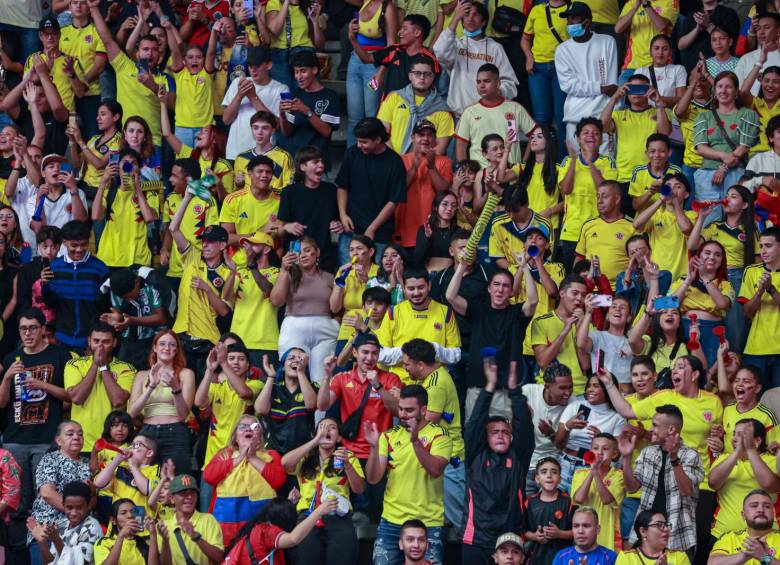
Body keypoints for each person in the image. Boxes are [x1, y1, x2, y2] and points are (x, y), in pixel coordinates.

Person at [606, 370, 718, 559]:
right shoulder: (648, 452)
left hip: (678, 538)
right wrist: (625, 458)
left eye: (656, 425)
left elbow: (686, 491)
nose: (651, 429)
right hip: (646, 537)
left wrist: (674, 458)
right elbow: (632, 487)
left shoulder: (691, 456)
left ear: (671, 429)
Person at [365, 385, 452, 565]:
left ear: (424, 409)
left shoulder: (439, 435)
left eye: (409, 410)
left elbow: (435, 470)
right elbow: (373, 478)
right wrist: (373, 448)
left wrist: (415, 441)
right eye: (401, 409)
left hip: (427, 523)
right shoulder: (388, 436)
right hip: (391, 521)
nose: (403, 414)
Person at [317, 332, 401, 519]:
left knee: (380, 509)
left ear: (379, 355)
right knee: (350, 510)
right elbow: (322, 405)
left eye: (374, 353)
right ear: (354, 353)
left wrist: (378, 386)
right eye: (364, 352)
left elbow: (398, 411)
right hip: (349, 453)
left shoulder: (390, 379)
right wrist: (326, 375)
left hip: (379, 452)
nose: (369, 358)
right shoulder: (342, 378)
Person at [460, 358, 534, 564]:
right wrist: (490, 387)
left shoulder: (518, 457)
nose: (500, 435)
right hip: (476, 539)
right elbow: (474, 423)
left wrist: (514, 391)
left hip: (510, 541)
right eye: (494, 432)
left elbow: (526, 430)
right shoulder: (475, 456)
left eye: (505, 432)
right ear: (486, 437)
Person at [446, 262, 535, 419]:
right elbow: (450, 296)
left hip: (507, 391)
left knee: (507, 440)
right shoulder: (478, 310)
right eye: (496, 284)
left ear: (511, 291)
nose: (500, 289)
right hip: (477, 388)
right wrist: (462, 266)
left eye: (506, 286)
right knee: (475, 438)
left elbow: (533, 301)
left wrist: (525, 268)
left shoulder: (516, 313)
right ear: (489, 288)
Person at [88, 1, 174, 149]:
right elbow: (107, 40)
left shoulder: (165, 78)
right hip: (126, 142)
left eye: (154, 49)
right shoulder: (125, 66)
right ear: (137, 52)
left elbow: (173, 105)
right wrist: (94, 8)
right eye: (145, 49)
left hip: (153, 144)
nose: (150, 52)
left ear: (159, 54)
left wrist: (152, 86)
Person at [280, 417, 363, 564]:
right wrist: (315, 441)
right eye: (322, 427)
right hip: (307, 518)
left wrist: (348, 466)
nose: (326, 430)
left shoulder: (347, 457)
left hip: (338, 519)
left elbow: (359, 489)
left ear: (339, 437)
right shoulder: (305, 457)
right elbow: (285, 463)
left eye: (332, 427)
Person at [202, 414, 286, 545]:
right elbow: (208, 477)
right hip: (228, 525)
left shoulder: (271, 455)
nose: (248, 430)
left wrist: (252, 457)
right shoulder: (225, 454)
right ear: (235, 437)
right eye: (243, 427)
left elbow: (278, 480)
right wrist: (238, 458)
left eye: (254, 427)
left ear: (260, 437)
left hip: (263, 522)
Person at [336, 117, 407, 265]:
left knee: (375, 280)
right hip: (351, 230)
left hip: (380, 234)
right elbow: (342, 186)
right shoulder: (352, 153)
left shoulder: (394, 162)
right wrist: (343, 214)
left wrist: (372, 229)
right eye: (358, 140)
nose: (359, 145)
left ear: (378, 139)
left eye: (364, 142)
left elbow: (394, 201)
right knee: (347, 277)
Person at [269, 237, 339, 384]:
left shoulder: (329, 277)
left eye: (308, 251)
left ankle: (321, 408)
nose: (303, 255)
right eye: (299, 252)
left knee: (322, 377)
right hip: (295, 326)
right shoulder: (289, 274)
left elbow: (337, 308)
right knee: (292, 376)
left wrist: (335, 323)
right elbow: (275, 301)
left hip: (325, 328)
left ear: (317, 252)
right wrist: (283, 271)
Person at [693, 72, 760, 223]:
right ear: (714, 91)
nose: (723, 91)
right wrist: (724, 156)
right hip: (707, 175)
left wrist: (723, 168)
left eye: (728, 87)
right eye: (720, 86)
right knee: (708, 221)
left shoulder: (748, 115)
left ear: (736, 92)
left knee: (737, 220)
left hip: (737, 173)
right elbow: (701, 148)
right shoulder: (704, 117)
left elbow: (744, 147)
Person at [375, 266, 461, 384]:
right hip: (400, 383)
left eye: (421, 287)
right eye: (411, 288)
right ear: (404, 288)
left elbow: (456, 355)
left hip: (434, 383)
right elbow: (380, 354)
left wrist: (433, 349)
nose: (416, 293)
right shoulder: (393, 312)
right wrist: (409, 352)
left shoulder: (445, 312)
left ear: (429, 286)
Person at [128, 330, 197, 475]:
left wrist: (175, 388)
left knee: (176, 482)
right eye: (162, 344)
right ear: (154, 347)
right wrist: (151, 386)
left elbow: (183, 414)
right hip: (147, 433)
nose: (167, 348)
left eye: (172, 345)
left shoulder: (186, 374)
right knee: (145, 480)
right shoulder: (141, 375)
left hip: (175, 432)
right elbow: (132, 412)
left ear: (177, 350)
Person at [432, 0, 517, 118]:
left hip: (489, 115)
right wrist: (455, 19)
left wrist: (497, 92)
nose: (470, 18)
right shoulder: (456, 45)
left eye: (475, 15)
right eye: (466, 15)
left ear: (484, 22)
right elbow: (439, 52)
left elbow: (510, 83)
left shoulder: (495, 48)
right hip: (459, 116)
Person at [556, 118, 618, 270]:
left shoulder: (608, 162)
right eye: (586, 133)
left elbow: (605, 190)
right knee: (571, 280)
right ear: (578, 138)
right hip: (572, 230)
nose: (591, 136)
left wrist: (590, 163)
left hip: (598, 229)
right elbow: (565, 190)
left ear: (601, 139)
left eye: (596, 133)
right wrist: (574, 160)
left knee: (595, 277)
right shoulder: (567, 161)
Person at [554, 2, 619, 148]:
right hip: (575, 116)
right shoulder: (562, 50)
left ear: (587, 21)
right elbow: (569, 85)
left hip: (603, 116)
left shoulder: (607, 42)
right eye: (568, 19)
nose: (570, 23)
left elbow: (612, 84)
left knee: (605, 166)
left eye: (574, 18)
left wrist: (614, 112)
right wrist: (600, 88)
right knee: (576, 166)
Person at [64, 322, 136, 452]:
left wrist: (103, 367)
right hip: (81, 444)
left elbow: (118, 400)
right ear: (89, 341)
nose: (100, 346)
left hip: (113, 445)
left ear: (114, 342)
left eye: (106, 342)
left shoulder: (126, 369)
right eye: (96, 341)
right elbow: (76, 398)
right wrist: (94, 366)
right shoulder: (74, 365)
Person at [195, 341, 264, 475]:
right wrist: (210, 370)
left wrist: (224, 363)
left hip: (244, 459)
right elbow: (198, 402)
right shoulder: (217, 387)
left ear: (248, 364)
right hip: (213, 459)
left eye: (241, 359)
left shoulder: (256, 384)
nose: (236, 362)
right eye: (231, 358)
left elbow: (244, 393)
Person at [41, 220, 109, 352]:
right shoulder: (54, 268)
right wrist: (45, 285)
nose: (79, 249)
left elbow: (104, 306)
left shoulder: (100, 268)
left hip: (91, 340)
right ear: (64, 242)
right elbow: (51, 303)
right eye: (74, 245)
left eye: (83, 245)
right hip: (62, 338)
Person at [28, 421, 91, 563]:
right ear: (58, 440)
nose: (76, 437)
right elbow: (47, 493)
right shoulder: (50, 459)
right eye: (70, 434)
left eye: (80, 434)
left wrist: (77, 516)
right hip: (48, 529)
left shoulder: (87, 464)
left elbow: (92, 499)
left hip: (78, 533)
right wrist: (75, 513)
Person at [600, 76, 672, 200]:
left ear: (649, 90)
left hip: (651, 175)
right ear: (626, 91)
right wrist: (615, 98)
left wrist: (659, 103)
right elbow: (602, 126)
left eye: (641, 88)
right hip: (625, 176)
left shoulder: (659, 111)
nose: (636, 92)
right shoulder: (619, 114)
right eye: (632, 88)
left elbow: (664, 132)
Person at [554, 373, 626, 492]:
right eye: (589, 386)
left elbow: (616, 456)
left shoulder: (617, 417)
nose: (590, 389)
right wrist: (568, 426)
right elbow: (558, 444)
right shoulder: (576, 406)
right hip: (565, 464)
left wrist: (601, 439)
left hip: (591, 469)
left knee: (582, 509)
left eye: (596, 386)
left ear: (607, 389)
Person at [709, 419, 780, 539]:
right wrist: (737, 452)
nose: (735, 438)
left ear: (757, 441)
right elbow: (713, 483)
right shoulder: (724, 459)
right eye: (734, 434)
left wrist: (750, 450)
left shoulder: (771, 460)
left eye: (742, 435)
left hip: (766, 536)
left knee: (767, 559)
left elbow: (770, 484)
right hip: (724, 534)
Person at [455, 63, 536, 167]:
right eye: (478, 82)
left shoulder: (515, 108)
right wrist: (468, 173)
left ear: (498, 84)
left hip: (511, 175)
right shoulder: (469, 112)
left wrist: (523, 164)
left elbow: (535, 134)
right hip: (481, 176)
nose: (481, 85)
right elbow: (460, 148)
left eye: (487, 81)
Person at [277, 145, 341, 272]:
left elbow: (338, 220)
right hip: (297, 256)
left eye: (322, 161)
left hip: (324, 255)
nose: (321, 165)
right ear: (302, 167)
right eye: (315, 162)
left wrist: (338, 224)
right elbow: (279, 230)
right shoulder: (289, 192)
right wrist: (287, 227)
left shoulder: (331, 190)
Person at [221, 496, 338, 563]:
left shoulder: (258, 526)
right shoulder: (266, 531)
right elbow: (293, 538)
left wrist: (289, 502)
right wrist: (318, 512)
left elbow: (279, 512)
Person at [344, 0, 399, 146]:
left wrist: (382, 71)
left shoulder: (388, 7)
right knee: (353, 117)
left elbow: (392, 46)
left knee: (371, 116)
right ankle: (353, 159)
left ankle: (373, 158)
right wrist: (351, 32)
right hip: (355, 60)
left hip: (375, 65)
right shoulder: (365, 1)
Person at [671, 241, 734, 368]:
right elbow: (671, 304)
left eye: (717, 255)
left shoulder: (725, 285)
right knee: (684, 370)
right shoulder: (683, 280)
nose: (712, 257)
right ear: (698, 257)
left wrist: (705, 277)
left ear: (722, 261)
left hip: (712, 330)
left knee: (707, 373)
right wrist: (688, 280)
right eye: (707, 253)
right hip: (684, 327)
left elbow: (722, 304)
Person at [395, 121, 453, 254]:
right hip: (404, 228)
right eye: (421, 135)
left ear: (435, 140)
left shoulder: (444, 161)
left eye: (430, 135)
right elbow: (397, 190)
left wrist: (431, 166)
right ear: (412, 138)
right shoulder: (400, 160)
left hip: (433, 228)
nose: (425, 138)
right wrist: (414, 169)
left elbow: (443, 192)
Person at [521, 0, 569, 156]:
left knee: (562, 117)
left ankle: (562, 162)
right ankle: (541, 162)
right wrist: (529, 57)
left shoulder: (573, 8)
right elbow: (525, 39)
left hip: (562, 68)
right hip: (538, 69)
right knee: (541, 118)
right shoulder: (537, 10)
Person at [349, 14, 438, 99]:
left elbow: (433, 90)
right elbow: (367, 58)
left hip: (414, 110)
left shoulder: (429, 59)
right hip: (388, 109)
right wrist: (353, 39)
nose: (400, 32)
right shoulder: (393, 50)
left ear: (417, 33)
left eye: (405, 29)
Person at [278, 50, 341, 170]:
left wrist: (307, 111)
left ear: (314, 70)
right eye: (296, 72)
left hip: (317, 163)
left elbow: (327, 131)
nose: (299, 77)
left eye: (303, 71)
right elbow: (287, 132)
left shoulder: (330, 96)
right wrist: (282, 114)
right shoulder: (294, 95)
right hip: (294, 162)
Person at [221, 47, 287, 160]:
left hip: (264, 155)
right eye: (250, 66)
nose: (253, 70)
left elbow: (276, 125)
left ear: (269, 65)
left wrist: (253, 97)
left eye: (257, 66)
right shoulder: (238, 82)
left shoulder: (281, 89)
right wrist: (239, 95)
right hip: (236, 151)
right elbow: (226, 120)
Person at [377, 56, 452, 156]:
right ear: (410, 76)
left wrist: (416, 164)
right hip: (392, 161)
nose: (422, 77)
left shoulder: (442, 109)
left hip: (424, 167)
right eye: (417, 73)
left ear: (433, 77)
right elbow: (382, 132)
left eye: (427, 74)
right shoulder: (393, 97)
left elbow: (439, 149)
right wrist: (396, 160)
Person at [530, 274, 587, 392]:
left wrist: (580, 326)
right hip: (550, 388)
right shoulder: (541, 322)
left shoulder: (587, 324)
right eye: (575, 293)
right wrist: (564, 332)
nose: (579, 298)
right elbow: (542, 362)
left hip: (579, 389)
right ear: (562, 294)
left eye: (583, 295)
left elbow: (586, 365)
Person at [254, 348, 318, 454]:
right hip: (273, 451)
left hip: (304, 453)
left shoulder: (312, 387)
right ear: (283, 366)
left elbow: (311, 405)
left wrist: (301, 372)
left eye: (300, 359)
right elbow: (260, 410)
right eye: (291, 358)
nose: (296, 361)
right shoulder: (272, 388)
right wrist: (271, 377)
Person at [101, 268, 168, 369]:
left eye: (130, 296)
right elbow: (120, 315)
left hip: (155, 338)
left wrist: (132, 320)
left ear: (137, 282)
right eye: (125, 298)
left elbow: (161, 318)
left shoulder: (151, 285)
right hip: (129, 339)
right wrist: (118, 320)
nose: (128, 300)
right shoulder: (115, 288)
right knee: (123, 371)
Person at [739, 227, 780, 388]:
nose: (762, 251)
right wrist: (760, 291)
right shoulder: (751, 271)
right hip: (756, 348)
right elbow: (747, 313)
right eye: (761, 246)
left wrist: (771, 289)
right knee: (755, 400)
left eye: (768, 246)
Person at [27, 480, 103, 565]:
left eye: (79, 508)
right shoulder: (62, 524)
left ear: (88, 505)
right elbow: (51, 562)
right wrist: (42, 542)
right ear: (63, 505)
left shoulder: (92, 527)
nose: (74, 513)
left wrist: (57, 540)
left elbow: (80, 563)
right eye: (69, 508)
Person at [571, 433, 625, 551]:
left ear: (614, 454)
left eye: (605, 449)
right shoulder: (580, 473)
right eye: (595, 448)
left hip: (609, 536)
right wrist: (593, 471)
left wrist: (595, 472)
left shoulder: (619, 475)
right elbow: (579, 499)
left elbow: (607, 500)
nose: (599, 452)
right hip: (585, 536)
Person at [156, 474, 224, 564]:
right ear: (172, 498)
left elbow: (219, 558)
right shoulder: (163, 526)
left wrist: (195, 536)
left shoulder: (208, 520)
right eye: (183, 493)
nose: (189, 497)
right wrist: (165, 541)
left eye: (192, 493)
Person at [220, 154, 280, 248]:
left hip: (266, 259)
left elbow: (280, 240)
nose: (264, 175)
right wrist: (258, 235)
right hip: (238, 260)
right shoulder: (233, 199)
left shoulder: (280, 201)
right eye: (260, 171)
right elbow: (225, 238)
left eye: (268, 172)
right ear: (250, 173)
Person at [708, 489, 780, 565]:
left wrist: (764, 557)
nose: (760, 509)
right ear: (743, 515)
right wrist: (745, 555)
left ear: (773, 514)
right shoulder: (730, 538)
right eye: (754, 506)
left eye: (767, 506)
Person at [264, 0, 325, 89]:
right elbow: (275, 29)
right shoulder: (274, 3)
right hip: (280, 55)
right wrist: (286, 2)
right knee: (283, 95)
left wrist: (315, 22)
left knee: (307, 95)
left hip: (305, 54)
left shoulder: (308, 5)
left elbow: (320, 45)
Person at [524, 457, 574, 565]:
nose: (549, 475)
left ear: (560, 479)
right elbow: (523, 531)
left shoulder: (569, 502)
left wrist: (560, 534)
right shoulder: (529, 503)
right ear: (537, 478)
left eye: (554, 472)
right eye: (544, 472)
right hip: (537, 558)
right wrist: (535, 536)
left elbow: (577, 532)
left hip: (564, 558)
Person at [576, 296, 633, 390]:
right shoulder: (597, 336)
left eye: (622, 307)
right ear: (607, 316)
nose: (617, 309)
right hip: (603, 393)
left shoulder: (632, 340)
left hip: (627, 395)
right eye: (613, 306)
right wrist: (589, 313)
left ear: (628, 318)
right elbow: (580, 344)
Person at [233, 110, 294, 196]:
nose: (259, 132)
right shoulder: (241, 158)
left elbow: (289, 189)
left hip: (273, 206)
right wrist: (238, 184)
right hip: (247, 207)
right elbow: (235, 192)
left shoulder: (284, 157)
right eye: (255, 128)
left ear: (273, 131)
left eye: (265, 128)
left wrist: (266, 192)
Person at [93, 498, 160, 565]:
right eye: (123, 513)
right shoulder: (104, 543)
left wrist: (153, 533)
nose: (130, 516)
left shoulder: (144, 543)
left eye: (133, 512)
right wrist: (121, 536)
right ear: (113, 520)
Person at [616, 510, 691, 565]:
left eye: (666, 525)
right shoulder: (626, 557)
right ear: (643, 531)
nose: (666, 529)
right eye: (659, 525)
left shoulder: (679, 556)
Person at [551, 507, 618, 565]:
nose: (580, 531)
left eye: (586, 526)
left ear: (598, 529)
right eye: (576, 526)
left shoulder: (610, 557)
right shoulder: (561, 556)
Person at [735, 13, 780, 96]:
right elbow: (737, 92)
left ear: (778, 31)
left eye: (766, 27)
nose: (761, 32)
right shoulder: (746, 58)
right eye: (758, 28)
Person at [414, 190, 460, 272]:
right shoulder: (425, 229)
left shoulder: (458, 231)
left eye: (453, 205)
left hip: (450, 276)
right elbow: (417, 259)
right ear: (435, 207)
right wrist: (427, 237)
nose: (449, 208)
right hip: (428, 275)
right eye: (445, 204)